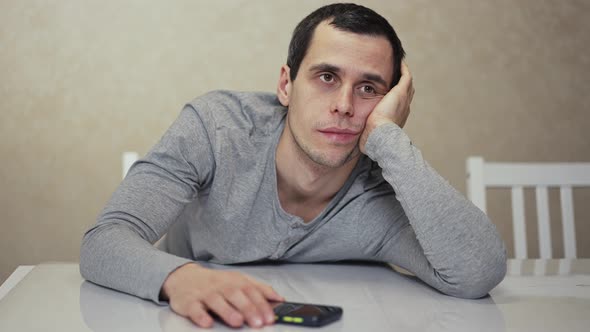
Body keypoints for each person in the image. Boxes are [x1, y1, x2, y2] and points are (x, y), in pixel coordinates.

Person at [80, 3, 507, 329]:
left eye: (368, 87)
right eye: (326, 77)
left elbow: (476, 273)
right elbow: (103, 242)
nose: (344, 106)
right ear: (286, 84)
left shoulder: (380, 195)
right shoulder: (216, 129)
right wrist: (183, 279)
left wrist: (388, 139)